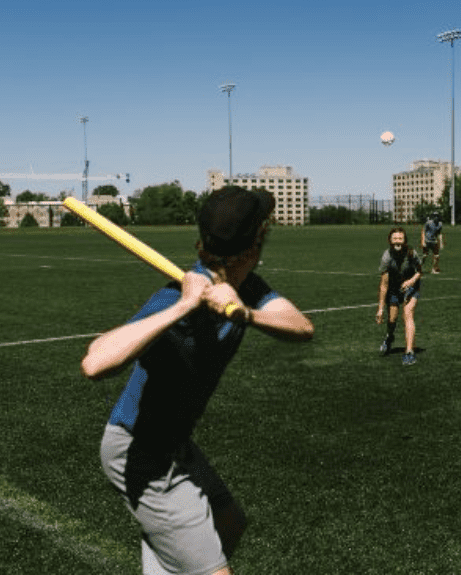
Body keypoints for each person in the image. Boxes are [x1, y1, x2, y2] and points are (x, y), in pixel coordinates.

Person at [80, 187, 314, 575]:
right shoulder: (174, 298)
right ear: (251, 250)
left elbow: (302, 327)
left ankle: (169, 551)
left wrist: (246, 315)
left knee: (229, 524)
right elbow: (95, 362)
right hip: (138, 449)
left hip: (174, 444)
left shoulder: (248, 289)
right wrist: (184, 306)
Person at [376, 227, 422, 365]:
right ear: (390, 240)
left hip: (411, 288)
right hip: (394, 289)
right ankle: (389, 338)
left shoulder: (411, 253)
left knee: (408, 315)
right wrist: (380, 309)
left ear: (405, 240)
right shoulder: (387, 257)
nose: (398, 241)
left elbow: (419, 271)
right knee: (392, 320)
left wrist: (411, 281)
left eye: (400, 239)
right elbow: (384, 285)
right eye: (395, 238)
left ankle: (409, 352)